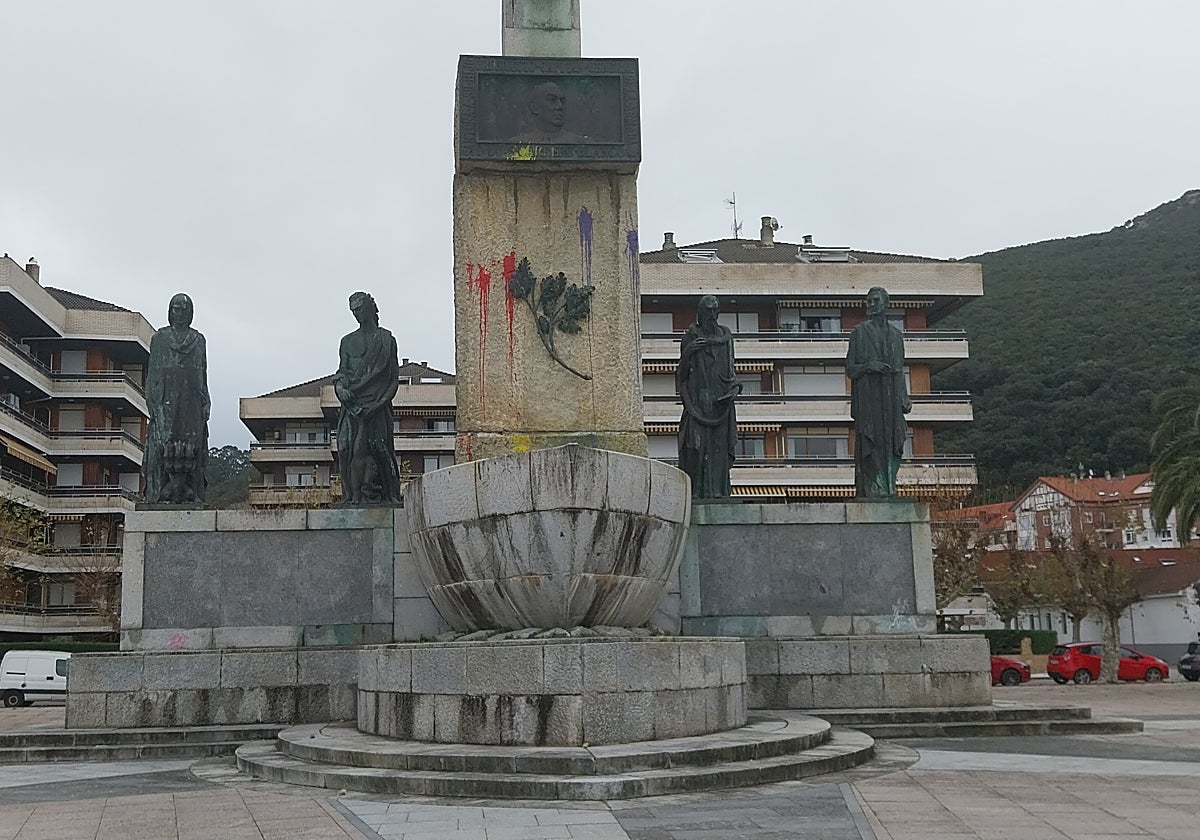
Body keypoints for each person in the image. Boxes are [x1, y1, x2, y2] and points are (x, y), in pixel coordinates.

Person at [334, 291, 401, 506]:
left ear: (371, 308)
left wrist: (378, 405)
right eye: (353, 311)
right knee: (344, 448)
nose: (357, 314)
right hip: (351, 404)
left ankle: (389, 494)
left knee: (379, 449)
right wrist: (340, 389)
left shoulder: (386, 339)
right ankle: (350, 496)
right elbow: (342, 373)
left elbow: (393, 381)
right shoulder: (346, 341)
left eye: (360, 309)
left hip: (377, 404)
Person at [144, 293, 210, 504]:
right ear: (170, 312)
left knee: (191, 447)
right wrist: (155, 407)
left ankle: (190, 491)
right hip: (165, 403)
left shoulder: (198, 340)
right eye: (176, 309)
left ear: (191, 313)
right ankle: (162, 491)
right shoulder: (160, 339)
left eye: (185, 310)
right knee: (162, 445)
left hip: (191, 404)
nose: (180, 314)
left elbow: (203, 375)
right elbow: (153, 375)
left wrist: (205, 401)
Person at [846, 286, 911, 498]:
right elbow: (850, 368)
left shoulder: (896, 336)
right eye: (869, 301)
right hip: (868, 397)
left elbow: (900, 369)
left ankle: (890, 484)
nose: (871, 305)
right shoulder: (859, 332)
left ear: (886, 303)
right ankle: (874, 485)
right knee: (871, 442)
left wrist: (904, 396)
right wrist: (869, 366)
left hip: (891, 397)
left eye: (875, 301)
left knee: (894, 440)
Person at [677, 295, 741, 499]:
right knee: (696, 448)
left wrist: (735, 388)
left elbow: (731, 373)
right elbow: (681, 376)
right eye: (707, 311)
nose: (711, 315)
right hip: (697, 404)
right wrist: (688, 353)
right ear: (700, 313)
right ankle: (697, 493)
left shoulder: (726, 337)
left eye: (714, 311)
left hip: (721, 406)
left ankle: (720, 492)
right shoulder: (691, 337)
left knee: (719, 452)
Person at [510, 81, 584, 143]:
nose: (559, 106)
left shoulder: (579, 142)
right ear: (534, 108)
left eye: (562, 101)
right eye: (552, 100)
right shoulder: (518, 143)